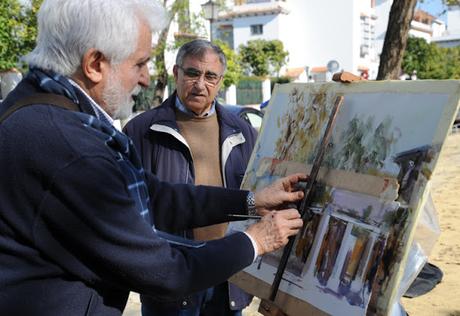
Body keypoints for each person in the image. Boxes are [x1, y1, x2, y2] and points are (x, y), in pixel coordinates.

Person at [0, 1, 306, 315]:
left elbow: (155, 195)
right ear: (94, 63)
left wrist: (252, 201)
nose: (147, 78)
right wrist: (257, 239)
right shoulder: (68, 148)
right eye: (139, 63)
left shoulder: (43, 109)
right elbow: (165, 271)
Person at [124, 39, 256, 316]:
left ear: (220, 81)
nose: (200, 84)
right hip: (173, 278)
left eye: (210, 76)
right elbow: (131, 210)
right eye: (192, 73)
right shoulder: (141, 131)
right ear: (176, 74)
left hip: (229, 274)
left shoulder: (244, 132)